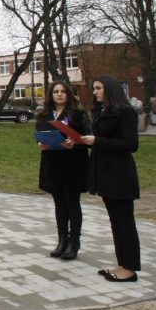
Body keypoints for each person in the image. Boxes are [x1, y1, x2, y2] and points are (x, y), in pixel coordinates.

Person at [81, 75, 141, 283]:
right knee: (115, 222)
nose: (95, 91)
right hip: (104, 172)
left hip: (120, 174)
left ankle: (130, 269)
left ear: (110, 89)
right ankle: (122, 264)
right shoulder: (101, 111)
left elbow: (130, 144)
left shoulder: (126, 112)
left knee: (125, 222)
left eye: (98, 88)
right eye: (94, 88)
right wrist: (86, 141)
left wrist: (98, 140)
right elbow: (101, 140)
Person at [35, 81, 91, 260]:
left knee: (72, 204)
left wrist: (74, 143)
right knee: (59, 204)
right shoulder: (44, 115)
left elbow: (87, 138)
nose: (59, 94)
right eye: (56, 92)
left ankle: (74, 242)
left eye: (63, 92)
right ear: (51, 95)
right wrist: (41, 144)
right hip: (53, 164)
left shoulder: (78, 114)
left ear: (68, 94)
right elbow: (41, 134)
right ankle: (62, 240)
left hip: (73, 164)